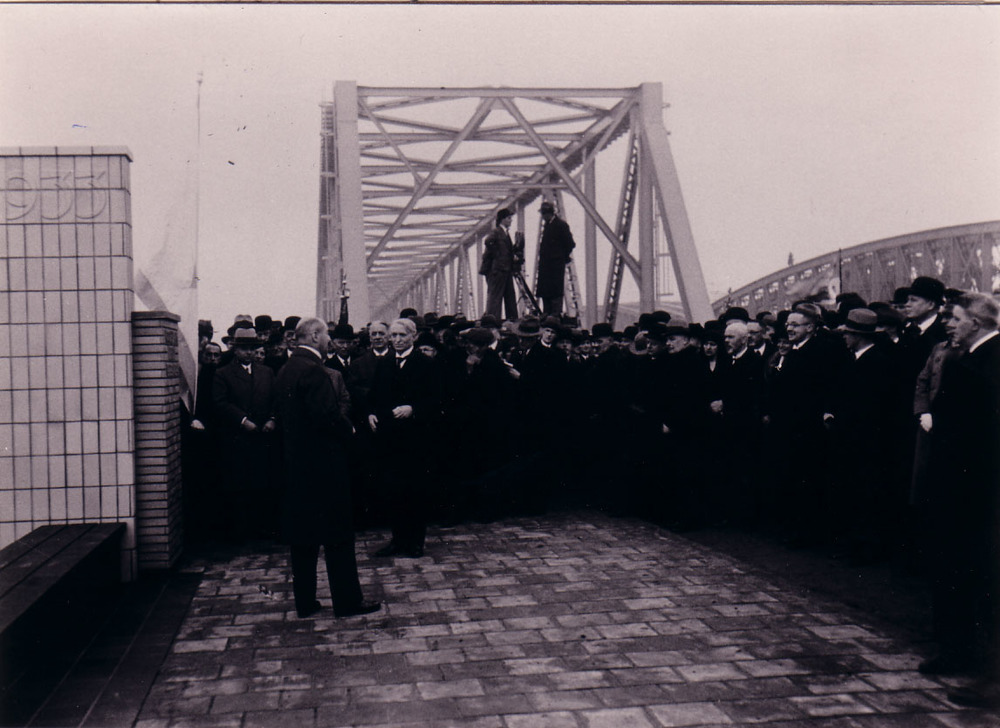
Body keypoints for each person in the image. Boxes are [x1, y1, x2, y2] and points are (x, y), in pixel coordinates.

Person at [921, 294, 1000, 709]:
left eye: (954, 318)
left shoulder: (988, 362)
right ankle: (959, 651)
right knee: (960, 570)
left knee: (980, 575)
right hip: (964, 487)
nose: (948, 324)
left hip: (976, 490)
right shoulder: (967, 359)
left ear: (976, 322)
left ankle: (986, 670)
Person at [273, 317, 380, 619]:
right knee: (338, 536)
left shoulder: (286, 370)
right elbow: (328, 417)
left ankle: (305, 602)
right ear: (314, 336)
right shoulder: (314, 371)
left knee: (303, 538)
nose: (329, 341)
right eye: (325, 335)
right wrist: (350, 432)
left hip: (297, 468)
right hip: (324, 468)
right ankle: (347, 602)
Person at [368, 318, 443, 558]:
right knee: (394, 489)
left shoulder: (425, 364)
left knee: (415, 490)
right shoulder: (385, 362)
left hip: (415, 437)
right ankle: (398, 540)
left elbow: (437, 399)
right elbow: (375, 395)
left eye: (402, 335)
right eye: (394, 336)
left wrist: (414, 409)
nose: (397, 340)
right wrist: (371, 412)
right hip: (390, 437)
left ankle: (415, 541)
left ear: (413, 336)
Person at [211, 328, 278, 541]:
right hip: (237, 439)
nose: (249, 352)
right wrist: (242, 420)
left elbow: (276, 398)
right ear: (235, 349)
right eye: (244, 348)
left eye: (252, 348)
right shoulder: (223, 373)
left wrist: (272, 419)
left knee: (263, 482)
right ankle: (241, 531)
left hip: (263, 436)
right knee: (239, 485)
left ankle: (262, 527)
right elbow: (220, 403)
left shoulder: (267, 372)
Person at [536, 201, 576, 316]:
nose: (542, 217)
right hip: (548, 268)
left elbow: (570, 244)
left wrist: (560, 257)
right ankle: (549, 317)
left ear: (548, 213)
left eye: (543, 214)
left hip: (554, 268)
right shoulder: (550, 225)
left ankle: (553, 318)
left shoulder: (560, 225)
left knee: (554, 296)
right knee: (547, 295)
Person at [480, 208, 518, 321]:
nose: (511, 220)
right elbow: (488, 241)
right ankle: (493, 320)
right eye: (509, 218)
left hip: (506, 269)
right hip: (498, 270)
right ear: (502, 219)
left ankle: (511, 319)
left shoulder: (505, 233)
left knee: (509, 296)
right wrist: (498, 255)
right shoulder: (497, 231)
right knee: (496, 297)